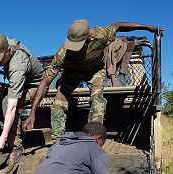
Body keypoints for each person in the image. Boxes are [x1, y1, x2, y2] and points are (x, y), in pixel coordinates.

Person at [22, 20, 159, 140]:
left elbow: (118, 25)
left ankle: (93, 137)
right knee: (59, 99)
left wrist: (147, 27)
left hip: (95, 69)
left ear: (88, 37)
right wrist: (32, 113)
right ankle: (58, 138)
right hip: (73, 72)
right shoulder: (63, 53)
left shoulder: (100, 34)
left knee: (97, 99)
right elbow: (45, 83)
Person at [0, 33, 44, 162]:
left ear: (8, 50)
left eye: (0, 58)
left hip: (34, 87)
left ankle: (16, 146)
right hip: (21, 84)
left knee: (7, 103)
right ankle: (7, 133)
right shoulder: (2, 42)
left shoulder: (17, 65)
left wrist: (4, 135)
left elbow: (12, 106)